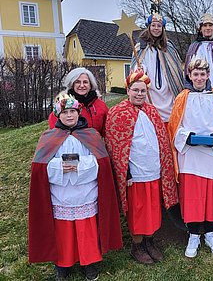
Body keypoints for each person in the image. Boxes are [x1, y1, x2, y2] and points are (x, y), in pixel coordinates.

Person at [29, 93, 122, 280]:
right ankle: (63, 264)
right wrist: (60, 167)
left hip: (85, 193)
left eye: (73, 111)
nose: (69, 115)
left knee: (86, 229)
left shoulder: (91, 135)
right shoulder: (48, 137)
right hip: (61, 194)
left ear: (79, 113)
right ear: (58, 115)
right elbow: (40, 167)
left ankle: (89, 262)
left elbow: (102, 163)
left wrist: (80, 166)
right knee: (63, 232)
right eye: (65, 112)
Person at [104, 69, 178, 265]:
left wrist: (164, 166)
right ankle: (137, 246)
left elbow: (162, 140)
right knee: (138, 211)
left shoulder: (152, 111)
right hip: (134, 174)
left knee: (153, 209)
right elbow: (114, 145)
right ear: (128, 90)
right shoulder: (117, 113)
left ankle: (149, 241)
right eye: (135, 90)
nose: (139, 94)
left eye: (143, 91)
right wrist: (125, 171)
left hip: (154, 171)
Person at [168, 55, 213, 258]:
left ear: (208, 75)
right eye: (195, 74)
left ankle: (210, 232)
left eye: (202, 74)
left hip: (212, 157)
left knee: (211, 197)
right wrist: (187, 138)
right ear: (189, 75)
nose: (199, 78)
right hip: (190, 158)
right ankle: (193, 234)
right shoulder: (182, 98)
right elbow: (174, 128)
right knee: (192, 197)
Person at [131, 12, 184, 125]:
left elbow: (176, 70)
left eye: (159, 26)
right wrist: (139, 70)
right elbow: (136, 66)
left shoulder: (169, 47)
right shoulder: (140, 47)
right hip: (150, 91)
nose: (156, 28)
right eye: (153, 25)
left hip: (168, 90)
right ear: (149, 27)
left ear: (163, 28)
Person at [48, 68, 108, 136]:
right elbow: (55, 133)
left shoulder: (101, 105)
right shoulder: (63, 105)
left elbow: (107, 131)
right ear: (72, 84)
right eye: (77, 82)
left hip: (95, 144)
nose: (82, 86)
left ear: (91, 84)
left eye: (85, 82)